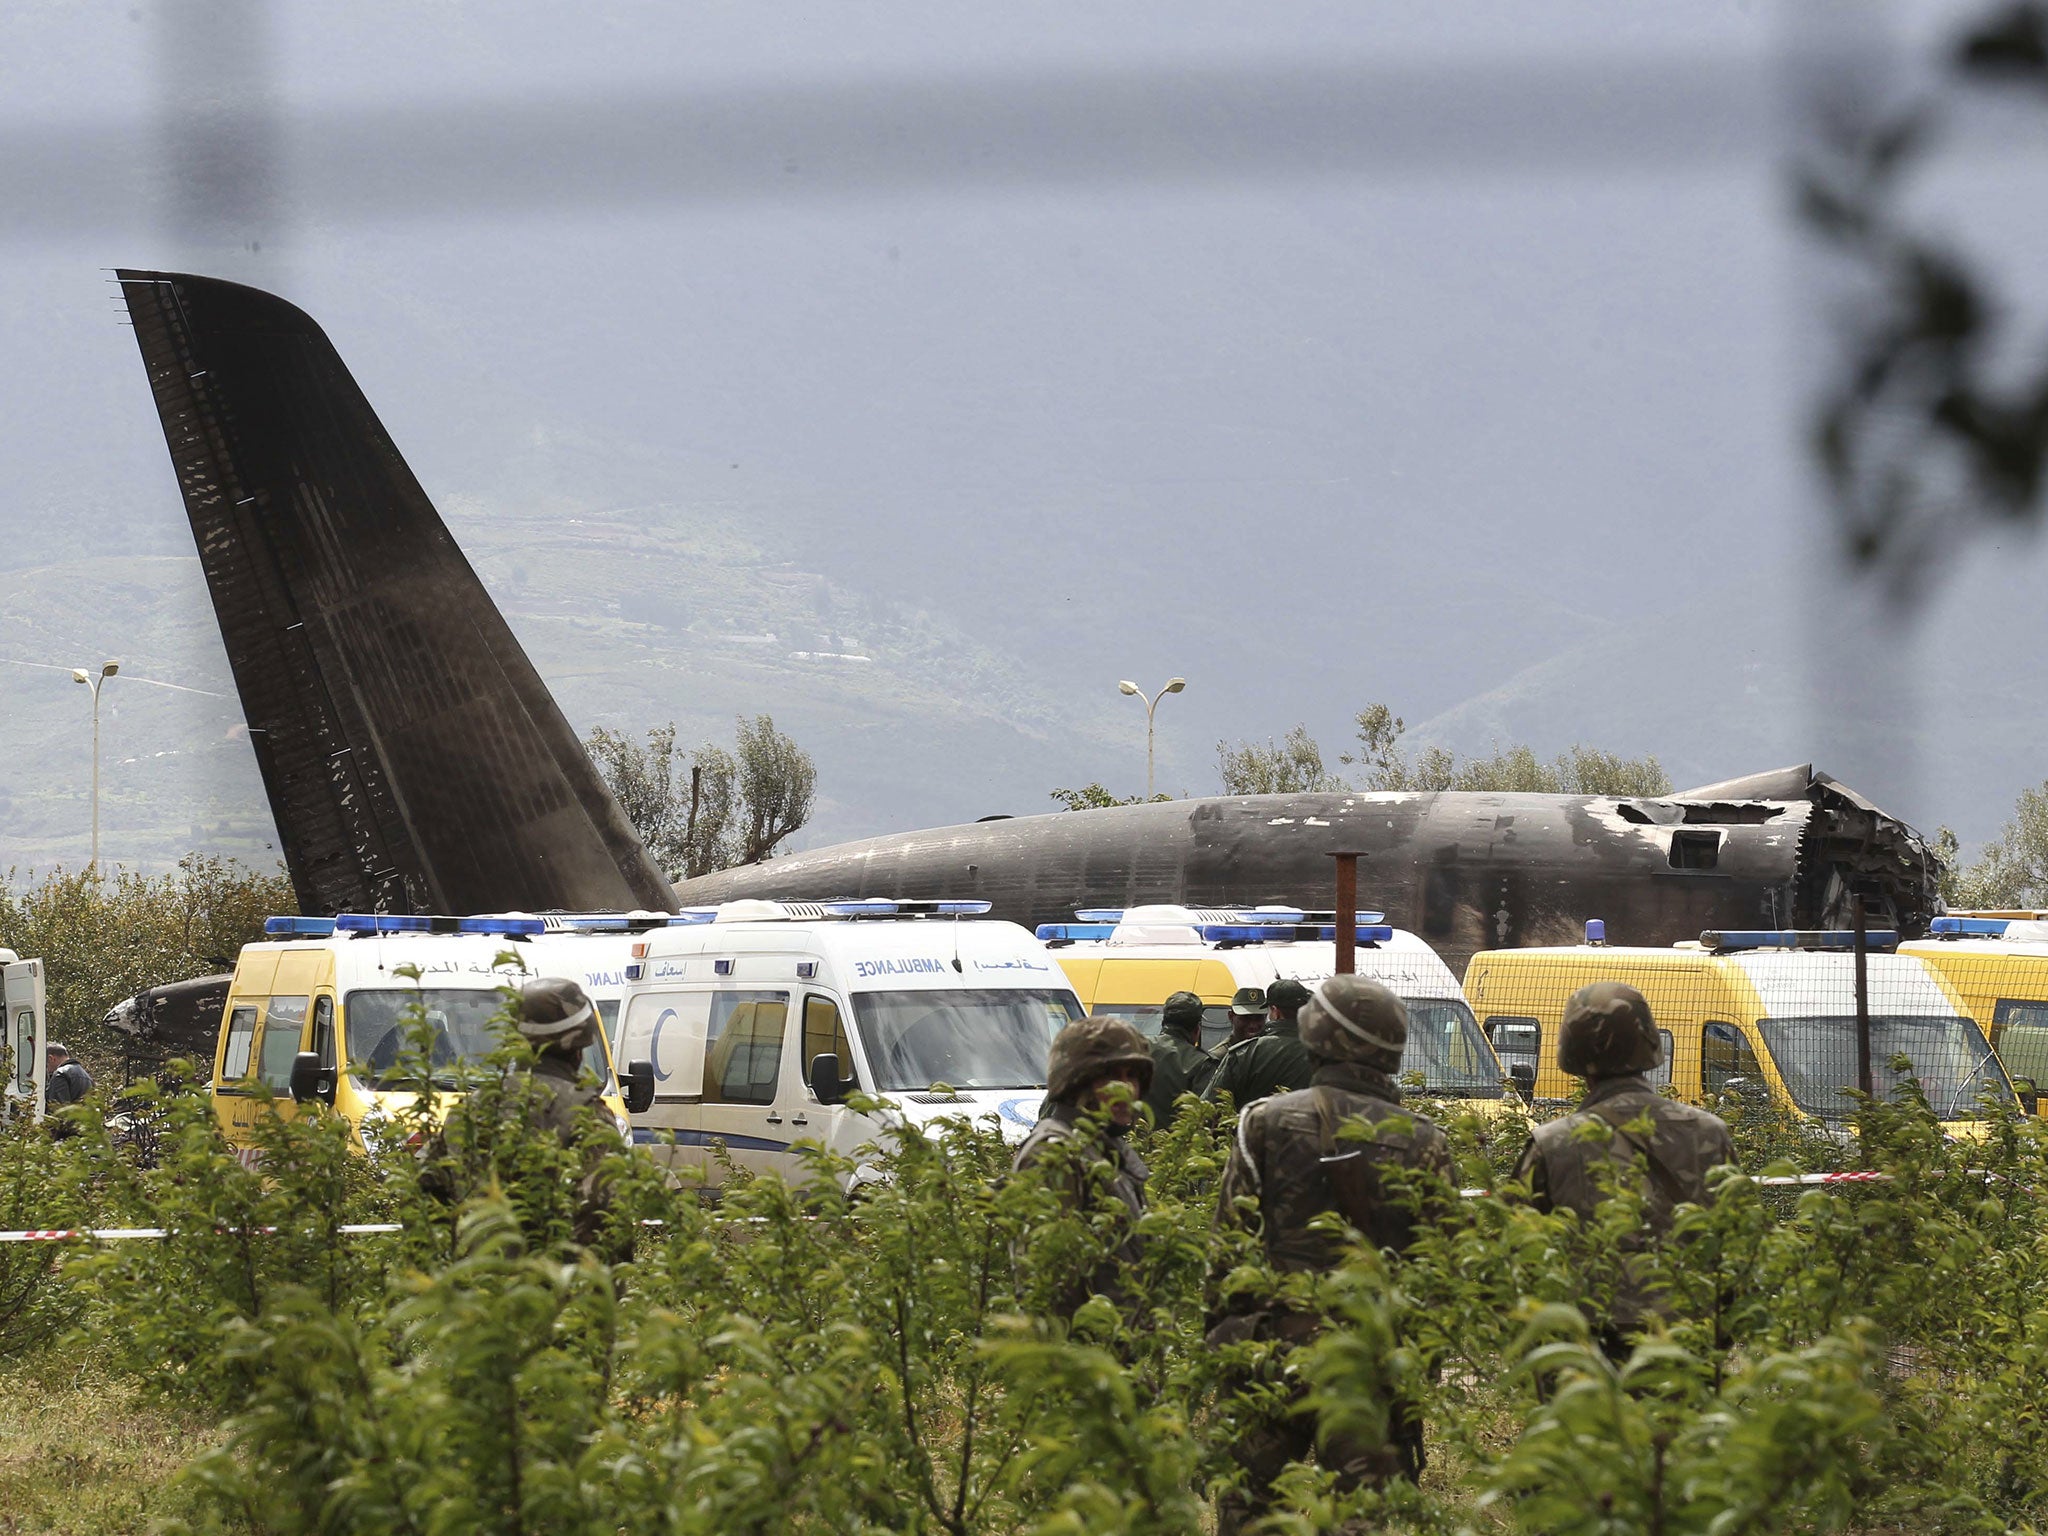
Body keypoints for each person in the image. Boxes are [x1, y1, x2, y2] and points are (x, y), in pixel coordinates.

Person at [1210, 976, 1455, 1530]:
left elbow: (1228, 1248)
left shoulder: (1263, 1123)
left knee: (1249, 1511)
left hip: (1269, 1355)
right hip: (1370, 1362)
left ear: (1315, 1033)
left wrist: (1223, 1344)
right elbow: (1438, 1269)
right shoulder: (1424, 1142)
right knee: (1362, 1517)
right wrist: (1416, 1373)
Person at [1514, 981, 1736, 1353]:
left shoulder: (1552, 1145)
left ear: (1571, 1047)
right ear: (1649, 1042)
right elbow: (1736, 1245)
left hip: (1587, 1350)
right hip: (1685, 1338)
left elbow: (1520, 1253)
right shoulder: (1710, 1135)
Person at [1013, 1016, 1154, 1310]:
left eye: (1132, 1076)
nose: (1126, 1089)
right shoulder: (1054, 1154)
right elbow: (1047, 1283)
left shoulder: (1106, 1149)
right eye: (1111, 1077)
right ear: (1077, 1083)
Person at [1204, 977, 1315, 1108]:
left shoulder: (1244, 1053)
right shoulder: (1324, 1051)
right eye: (1246, 1018)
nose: (1253, 1025)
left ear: (1275, 1011)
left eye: (1259, 1017)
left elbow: (1208, 1108)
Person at [1143, 991, 1216, 1126]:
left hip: (1134, 1142)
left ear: (1164, 1021)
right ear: (1197, 1028)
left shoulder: (1140, 1048)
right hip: (1176, 1144)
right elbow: (1204, 1116)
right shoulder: (1201, 1063)